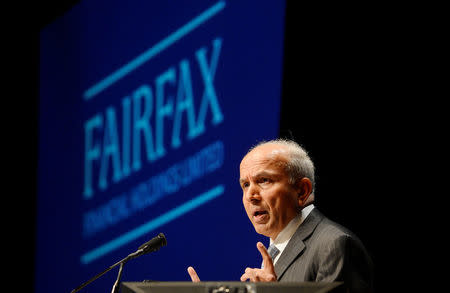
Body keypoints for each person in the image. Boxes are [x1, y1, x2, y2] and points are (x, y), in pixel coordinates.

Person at [187, 139, 374, 292]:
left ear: (301, 191)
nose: (251, 196)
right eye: (245, 185)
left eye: (264, 180)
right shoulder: (275, 250)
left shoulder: (333, 245)